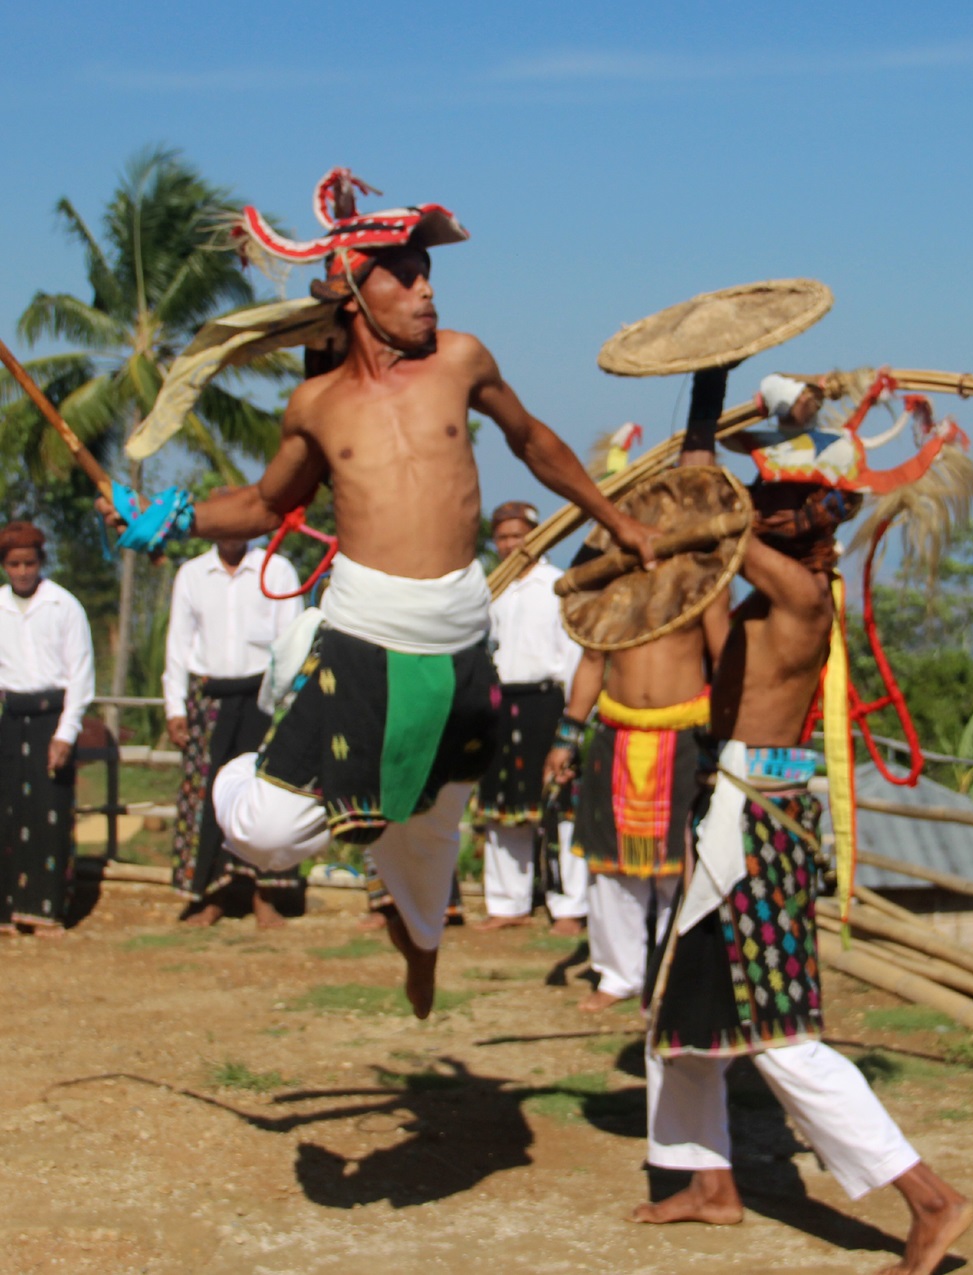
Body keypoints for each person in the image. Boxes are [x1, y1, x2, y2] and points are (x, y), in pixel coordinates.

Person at [103, 180, 656, 1020]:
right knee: (270, 832)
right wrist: (173, 516)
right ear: (352, 289)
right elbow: (263, 505)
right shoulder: (316, 405)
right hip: (364, 633)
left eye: (428, 272)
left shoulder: (462, 359)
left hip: (461, 636)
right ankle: (246, 771)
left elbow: (534, 441)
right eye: (403, 274)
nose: (427, 288)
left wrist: (616, 519)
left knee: (433, 829)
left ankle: (419, 941)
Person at [633, 375, 973, 1275]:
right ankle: (709, 1181)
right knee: (678, 1021)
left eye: (779, 502)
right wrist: (706, 402)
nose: (764, 512)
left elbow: (717, 525)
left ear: (818, 517)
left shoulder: (800, 597)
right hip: (732, 804)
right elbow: (707, 537)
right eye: (764, 503)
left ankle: (930, 1199)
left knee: (777, 1036)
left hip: (758, 820)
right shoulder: (753, 598)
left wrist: (741, 448)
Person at [544, 429, 729, 1009]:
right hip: (615, 735)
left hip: (685, 737)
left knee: (680, 867)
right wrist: (567, 737)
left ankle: (671, 975)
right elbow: (592, 660)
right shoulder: (610, 579)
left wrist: (726, 744)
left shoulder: (708, 579)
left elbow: (724, 663)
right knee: (612, 868)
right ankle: (617, 976)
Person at [163, 521, 302, 927]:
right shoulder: (191, 574)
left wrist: (288, 705)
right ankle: (212, 895)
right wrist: (175, 708)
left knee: (269, 794)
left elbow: (291, 638)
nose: (230, 531)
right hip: (210, 699)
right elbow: (178, 644)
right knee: (207, 796)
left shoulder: (276, 569)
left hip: (264, 696)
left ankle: (267, 897)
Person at [477, 499, 586, 935]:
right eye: (502, 537)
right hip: (500, 702)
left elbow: (576, 656)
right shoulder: (489, 589)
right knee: (502, 806)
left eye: (517, 535)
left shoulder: (558, 586)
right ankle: (507, 903)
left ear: (537, 536)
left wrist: (575, 717)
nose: (509, 545)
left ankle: (569, 908)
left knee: (557, 805)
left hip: (547, 702)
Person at [0, 521, 94, 936]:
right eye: (14, 564)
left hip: (50, 720)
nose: (22, 571)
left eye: (29, 562)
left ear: (41, 562)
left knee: (49, 812)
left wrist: (65, 732)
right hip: (9, 720)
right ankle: (6, 909)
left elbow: (81, 674)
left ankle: (45, 908)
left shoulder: (64, 606)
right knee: (6, 814)